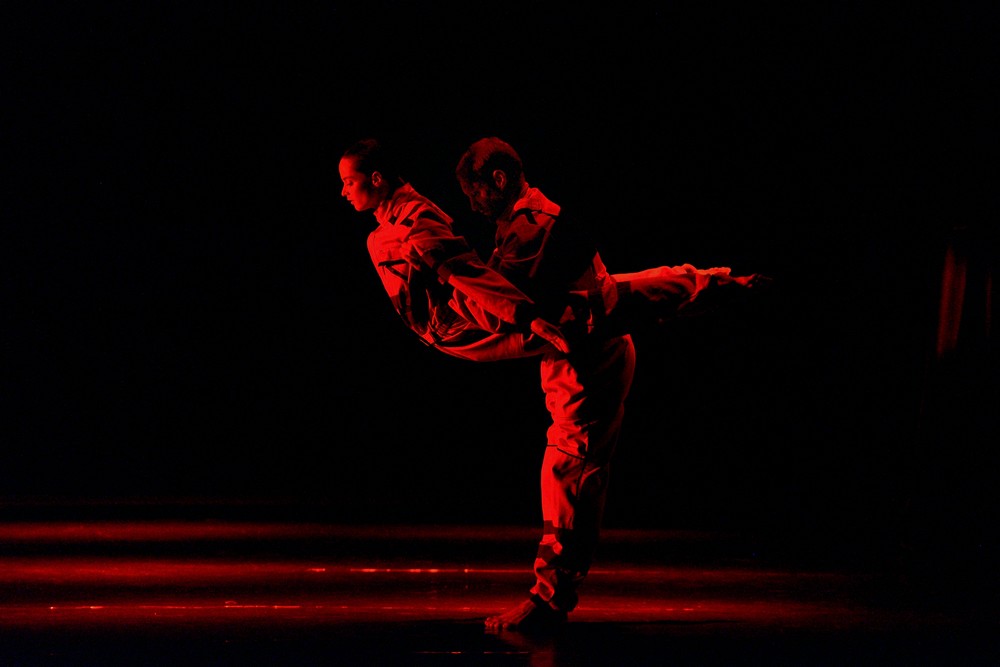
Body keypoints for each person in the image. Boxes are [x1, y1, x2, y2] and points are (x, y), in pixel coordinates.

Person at [454, 137, 769, 632]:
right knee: (570, 470)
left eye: (475, 192)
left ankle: (550, 598)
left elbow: (491, 307)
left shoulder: (531, 230)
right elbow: (635, 290)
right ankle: (551, 593)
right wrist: (716, 283)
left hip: (588, 366)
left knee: (569, 473)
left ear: (498, 179)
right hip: (592, 349)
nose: (472, 204)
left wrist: (444, 271)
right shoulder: (533, 219)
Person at [338, 138, 571, 361]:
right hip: (448, 330)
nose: (343, 192)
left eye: (349, 182)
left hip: (459, 326)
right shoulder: (388, 228)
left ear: (376, 179)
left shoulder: (414, 220)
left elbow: (466, 273)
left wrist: (527, 317)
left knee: (559, 332)